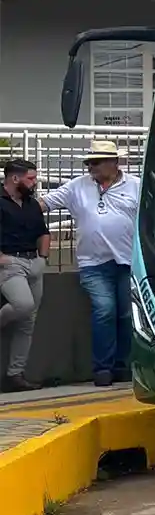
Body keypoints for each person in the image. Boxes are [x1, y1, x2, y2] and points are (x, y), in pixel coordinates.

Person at [44, 141, 141, 386]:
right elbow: (46, 203)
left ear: (114, 163)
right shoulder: (78, 186)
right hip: (93, 262)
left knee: (127, 315)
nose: (91, 167)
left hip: (128, 259)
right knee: (104, 310)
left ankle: (123, 366)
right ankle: (103, 368)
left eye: (96, 163)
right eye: (89, 163)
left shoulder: (136, 186)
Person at [0, 159, 49, 393]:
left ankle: (15, 374)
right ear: (15, 178)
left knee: (28, 322)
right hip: (10, 263)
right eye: (31, 178)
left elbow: (44, 232)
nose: (35, 181)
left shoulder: (31, 204)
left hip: (34, 261)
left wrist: (44, 258)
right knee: (23, 305)